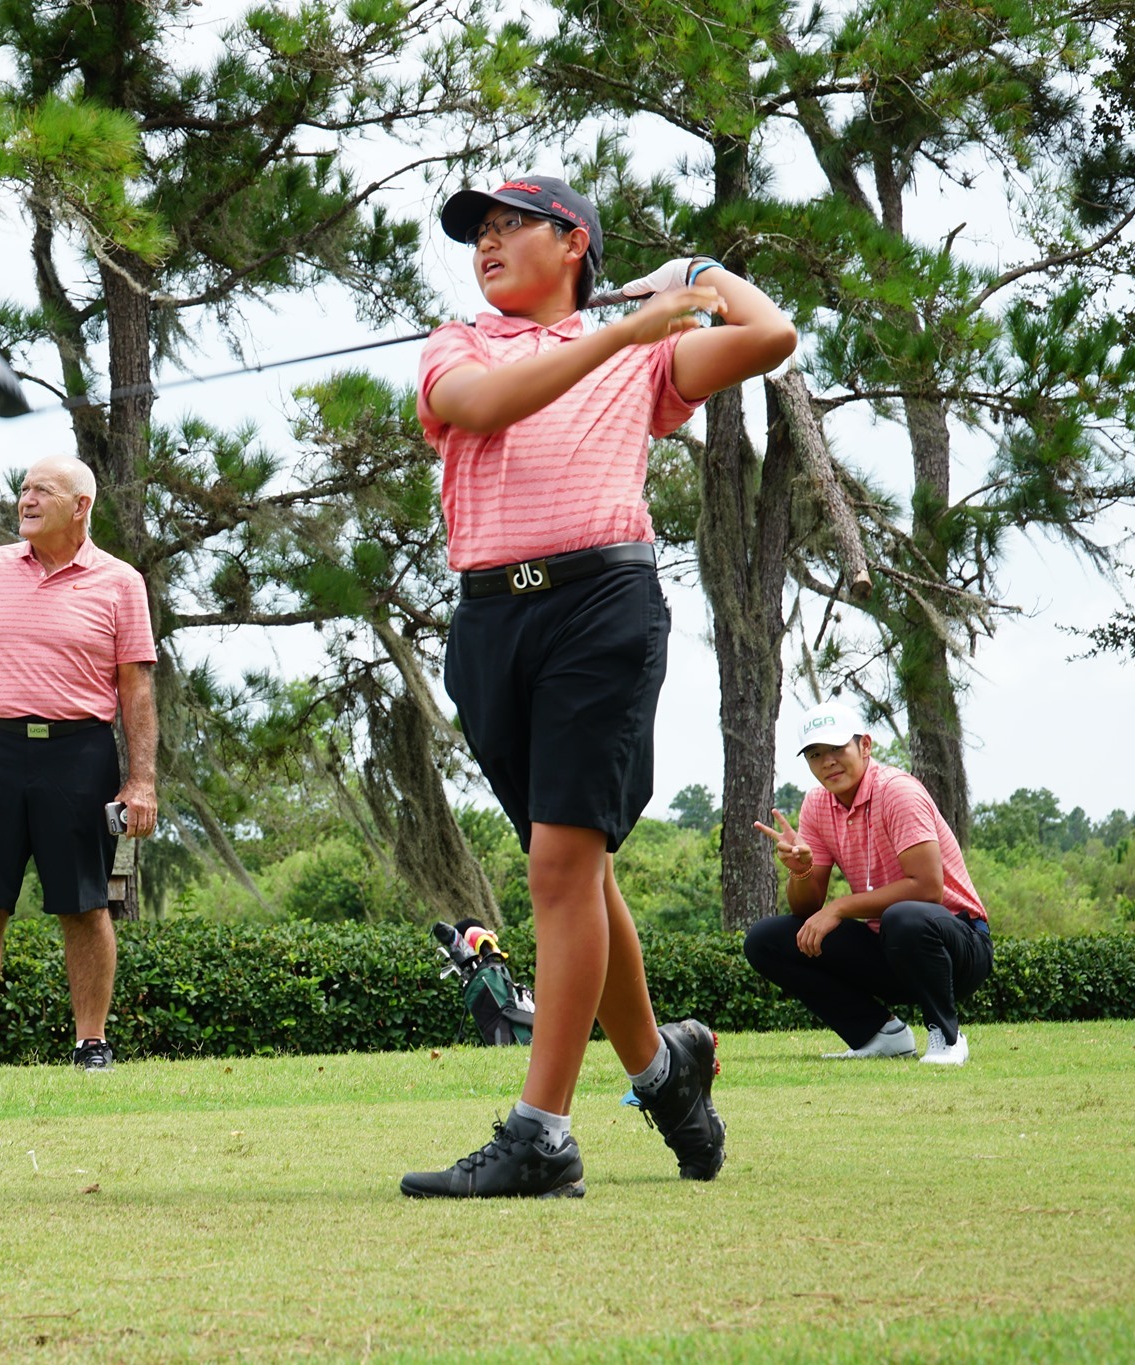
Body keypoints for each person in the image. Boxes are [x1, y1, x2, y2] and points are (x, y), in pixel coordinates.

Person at [401, 176, 798, 1198]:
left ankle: (541, 1137)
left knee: (559, 867)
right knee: (577, 873)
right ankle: (666, 1071)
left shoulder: (644, 356)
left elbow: (770, 336)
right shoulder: (460, 345)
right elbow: (485, 405)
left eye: (510, 225)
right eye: (477, 233)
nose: (487, 244)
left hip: (600, 608)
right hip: (490, 620)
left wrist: (693, 275)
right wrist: (624, 331)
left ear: (573, 242)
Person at [0, 455, 158, 1077]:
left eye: (42, 490)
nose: (26, 499)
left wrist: (141, 779)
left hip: (79, 756)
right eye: (24, 489)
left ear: (81, 507)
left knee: (85, 904)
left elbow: (136, 688)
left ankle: (91, 1043)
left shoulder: (121, 582)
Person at [745, 699, 992, 1066]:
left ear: (865, 746)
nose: (827, 761)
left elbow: (927, 888)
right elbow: (807, 909)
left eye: (836, 748)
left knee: (904, 916)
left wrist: (840, 907)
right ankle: (880, 1035)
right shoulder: (817, 804)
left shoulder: (897, 791)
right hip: (892, 948)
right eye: (815, 754)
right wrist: (801, 871)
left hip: (959, 944)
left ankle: (947, 1037)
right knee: (766, 939)